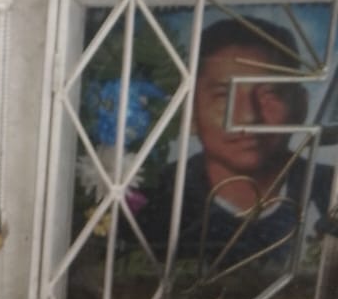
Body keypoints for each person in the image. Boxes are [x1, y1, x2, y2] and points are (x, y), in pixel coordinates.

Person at [138, 18, 333, 279]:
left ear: (301, 106)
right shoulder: (149, 204)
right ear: (190, 112)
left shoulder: (331, 190)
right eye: (223, 95)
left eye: (270, 93)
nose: (248, 116)